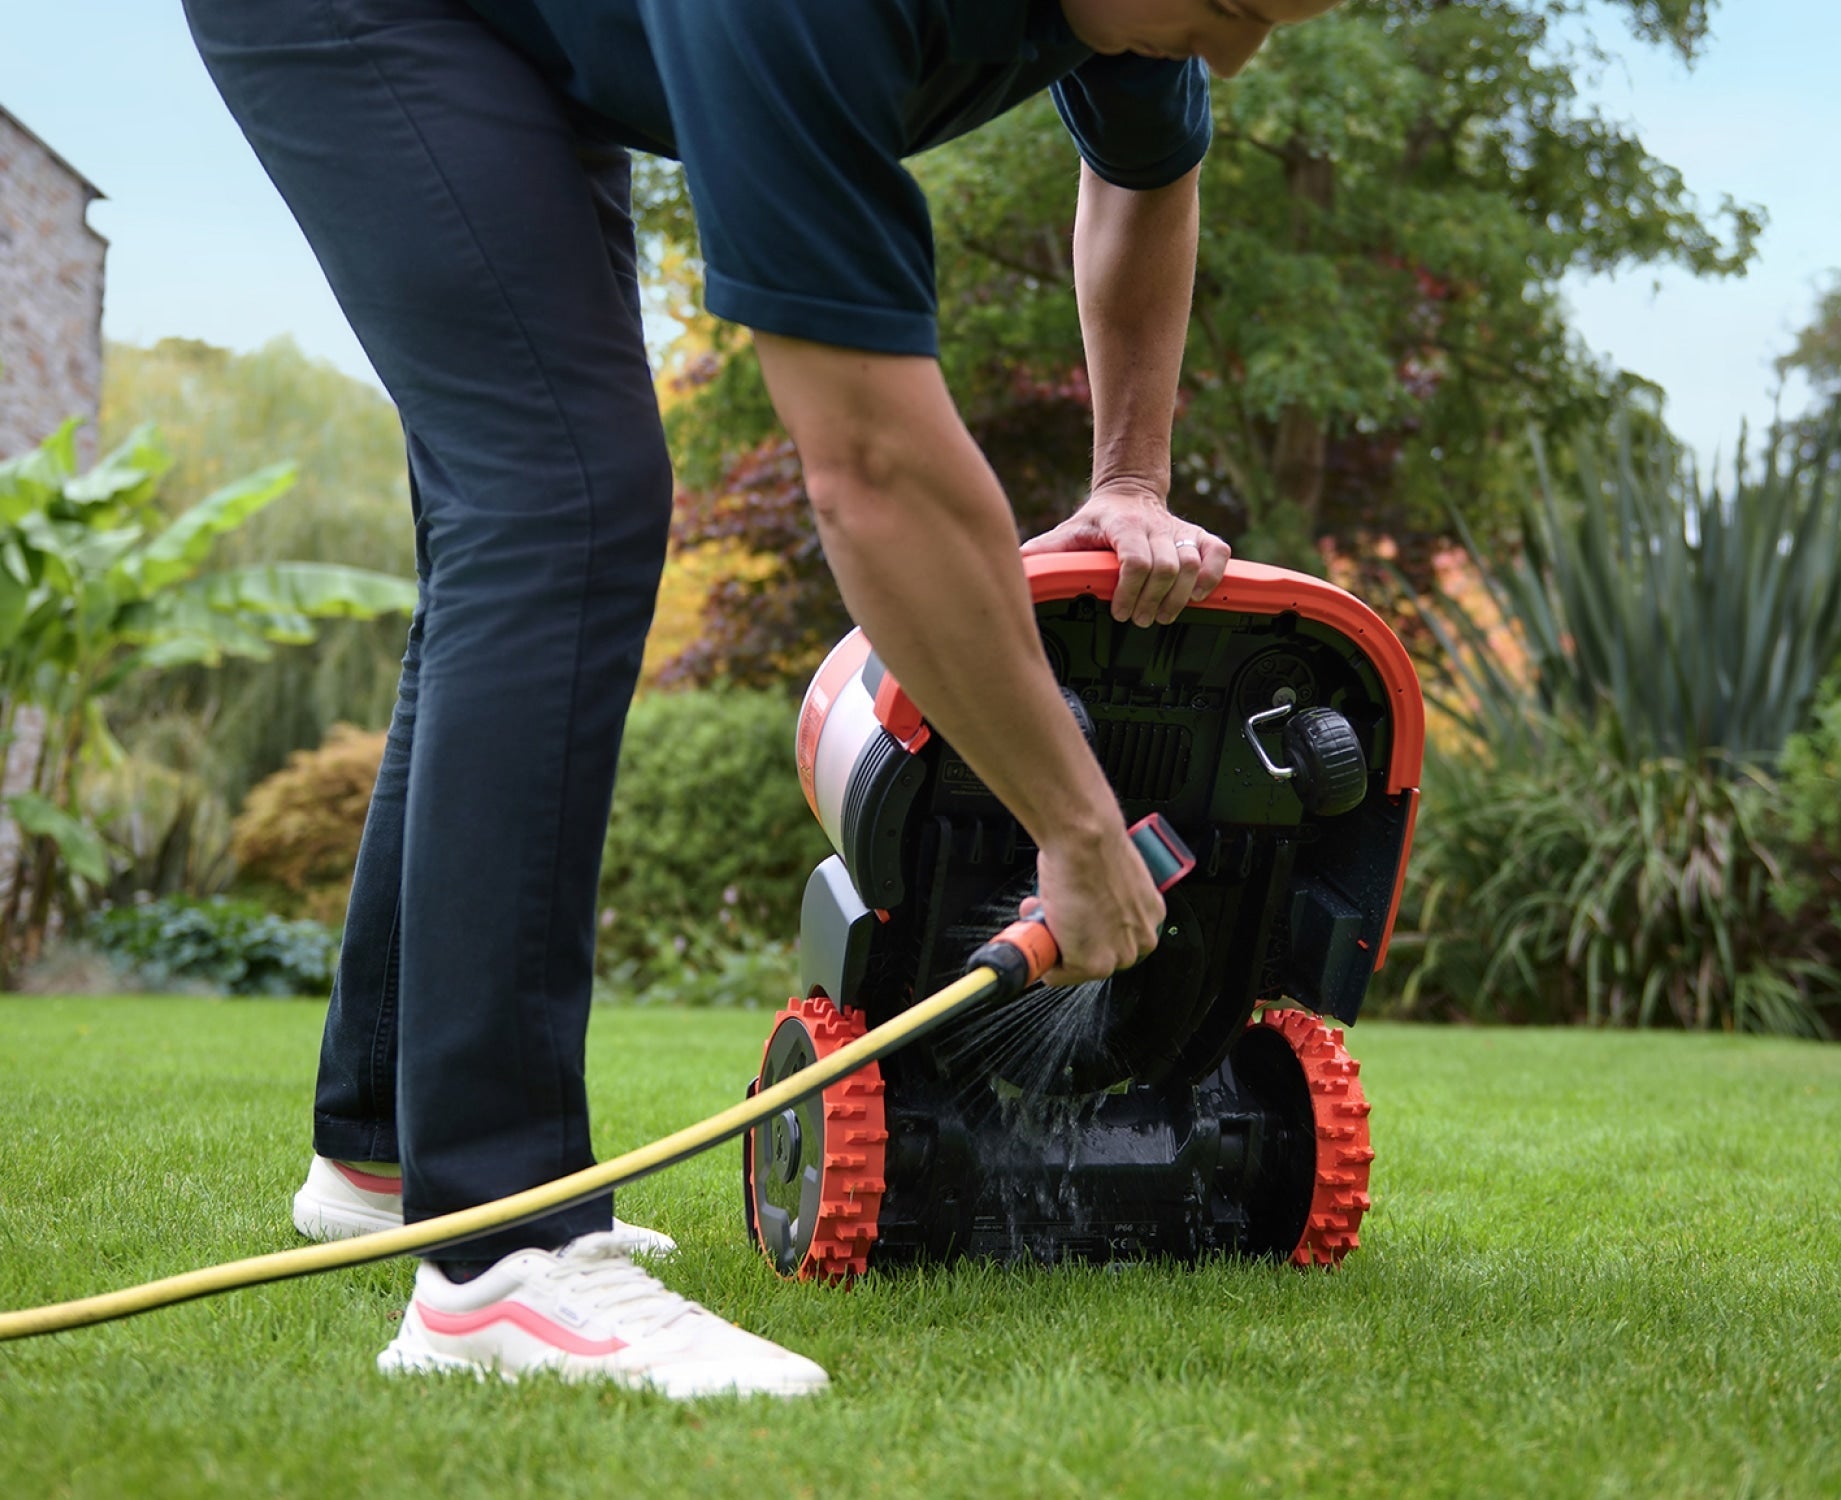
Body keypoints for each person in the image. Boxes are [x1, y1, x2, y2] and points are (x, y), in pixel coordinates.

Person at [184, 0, 1333, 1402]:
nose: (1240, 53)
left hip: (520, 36)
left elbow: (1148, 182)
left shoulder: (1139, 28)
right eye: (1231, 7)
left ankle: (385, 1154)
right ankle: (502, 1254)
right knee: (559, 493)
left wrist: (1132, 480)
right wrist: (1079, 830)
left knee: (531, 509)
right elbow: (870, 462)